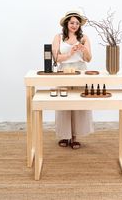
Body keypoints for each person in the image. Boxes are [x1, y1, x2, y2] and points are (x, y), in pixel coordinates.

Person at [51, 9, 93, 149]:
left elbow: (88, 58)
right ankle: (64, 135)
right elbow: (56, 58)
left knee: (78, 104)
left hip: (80, 71)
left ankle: (75, 136)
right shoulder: (58, 37)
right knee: (63, 103)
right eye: (72, 22)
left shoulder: (84, 38)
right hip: (64, 71)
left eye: (77, 23)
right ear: (66, 24)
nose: (74, 25)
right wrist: (70, 53)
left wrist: (83, 49)